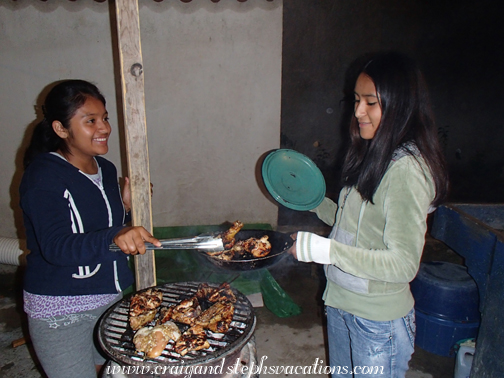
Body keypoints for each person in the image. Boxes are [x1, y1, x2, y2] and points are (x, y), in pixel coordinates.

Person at [288, 52, 449, 377]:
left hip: (377, 322)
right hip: (342, 304)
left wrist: (323, 250)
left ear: (400, 104)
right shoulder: (373, 152)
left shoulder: (406, 170)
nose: (358, 111)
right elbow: (356, 225)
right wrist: (316, 202)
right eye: (356, 100)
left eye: (370, 102)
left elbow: (404, 264)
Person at [19, 79, 161, 378]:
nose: (105, 128)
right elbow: (57, 246)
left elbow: (102, 236)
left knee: (107, 371)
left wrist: (126, 209)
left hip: (109, 300)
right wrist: (117, 234)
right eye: (91, 121)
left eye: (105, 118)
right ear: (61, 129)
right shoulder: (44, 175)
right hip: (61, 308)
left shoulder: (105, 169)